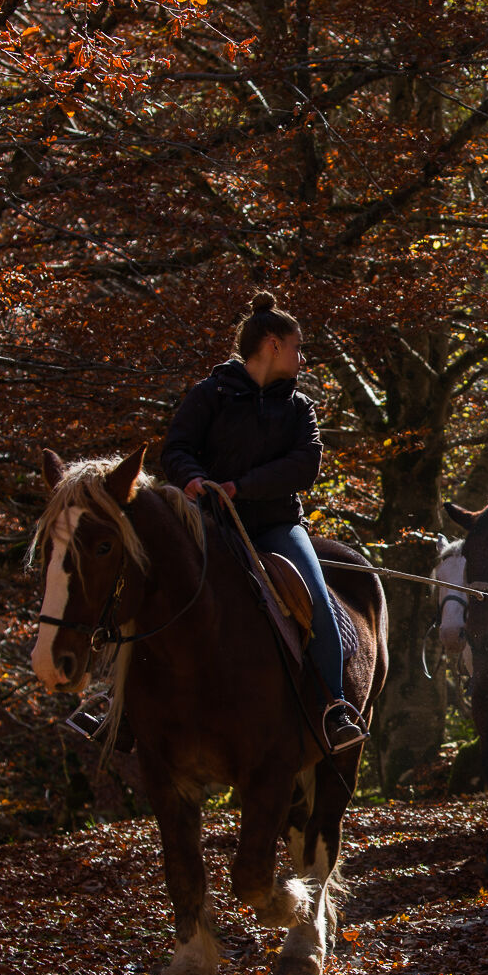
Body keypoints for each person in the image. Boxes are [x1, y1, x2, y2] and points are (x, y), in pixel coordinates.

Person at [161, 291, 368, 751]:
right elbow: (174, 449)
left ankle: (334, 708)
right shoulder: (209, 394)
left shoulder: (300, 409)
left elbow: (304, 467)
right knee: (153, 586)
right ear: (272, 345)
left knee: (316, 603)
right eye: (298, 347)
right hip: (210, 526)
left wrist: (241, 486)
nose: (302, 357)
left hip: (277, 528)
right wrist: (193, 479)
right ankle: (116, 702)